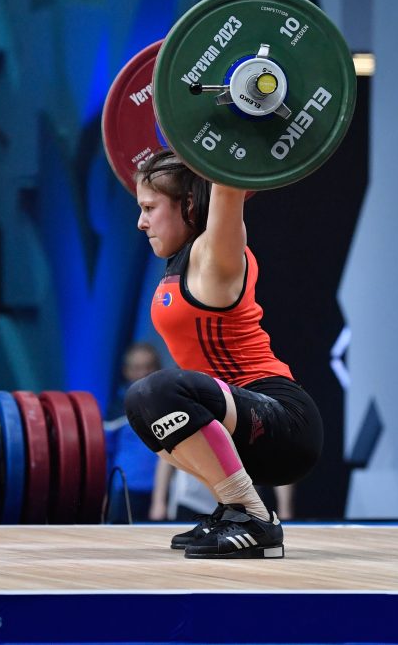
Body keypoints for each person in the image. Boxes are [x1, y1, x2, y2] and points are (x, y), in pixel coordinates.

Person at [124, 149, 323, 559]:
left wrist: (229, 132)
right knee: (140, 408)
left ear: (190, 204)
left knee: (155, 392)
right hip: (239, 423)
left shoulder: (215, 256)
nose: (141, 221)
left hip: (282, 421)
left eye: (149, 208)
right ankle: (232, 511)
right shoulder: (178, 262)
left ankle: (255, 519)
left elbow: (227, 188)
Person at [104, 342, 164, 523]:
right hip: (125, 491)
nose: (144, 373)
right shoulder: (117, 409)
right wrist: (104, 495)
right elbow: (105, 454)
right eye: (137, 368)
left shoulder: (169, 406)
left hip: (161, 494)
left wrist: (160, 500)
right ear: (126, 371)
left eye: (149, 367)